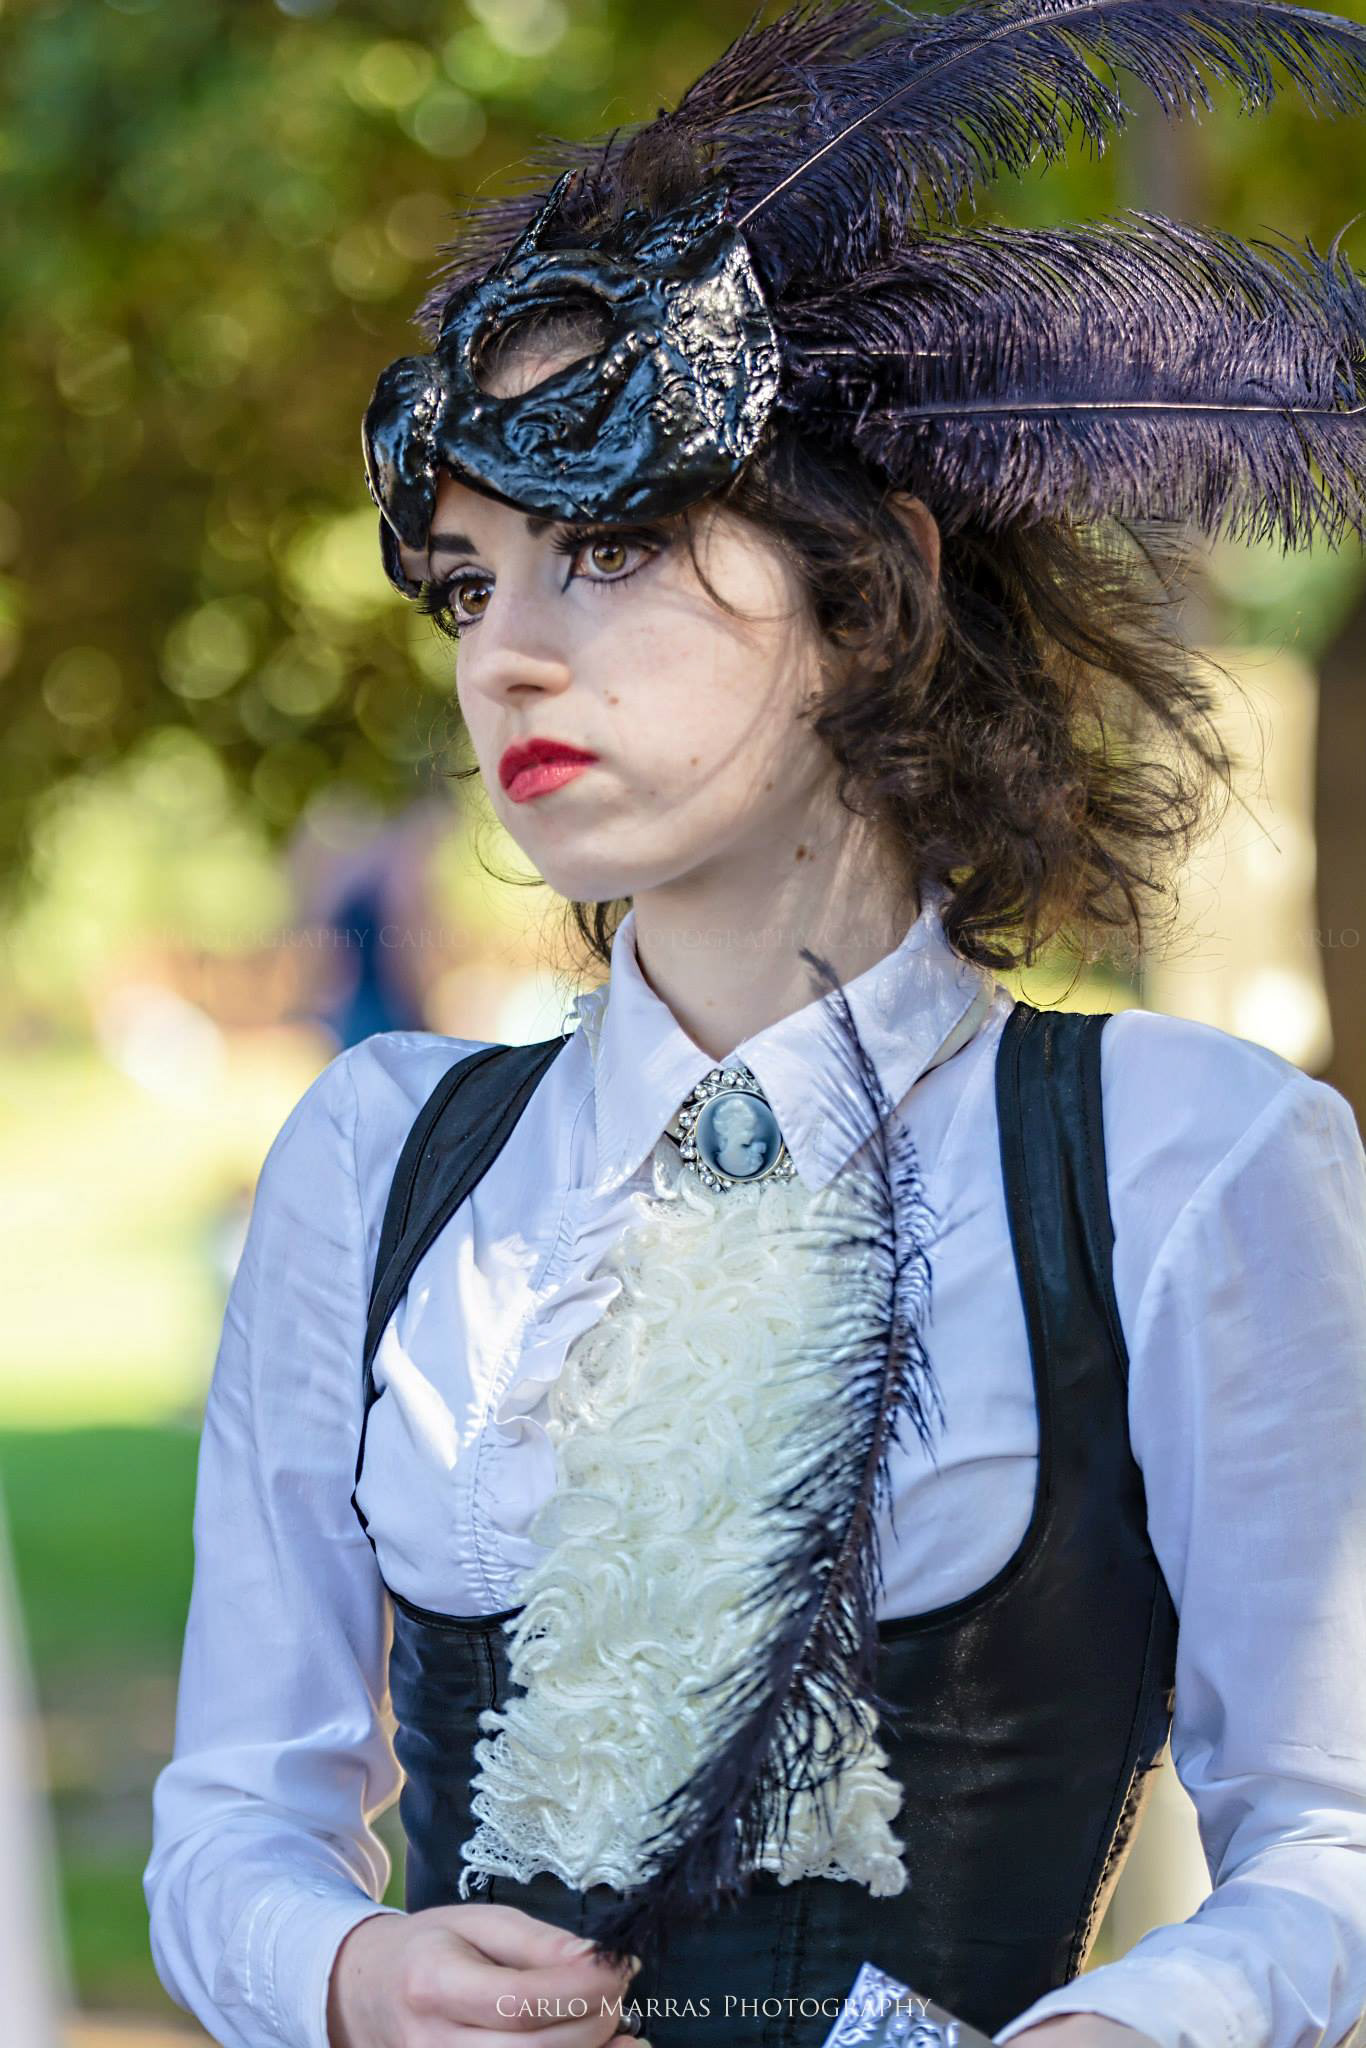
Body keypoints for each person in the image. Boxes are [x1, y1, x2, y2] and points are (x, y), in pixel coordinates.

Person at [144, 3, 1366, 2047]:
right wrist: (344, 1972)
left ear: (865, 589)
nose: (505, 660)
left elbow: (1331, 1832)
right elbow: (228, 1826)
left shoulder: (1177, 1155)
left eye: (610, 548)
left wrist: (1131, 2032)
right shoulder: (380, 1157)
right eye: (467, 584)